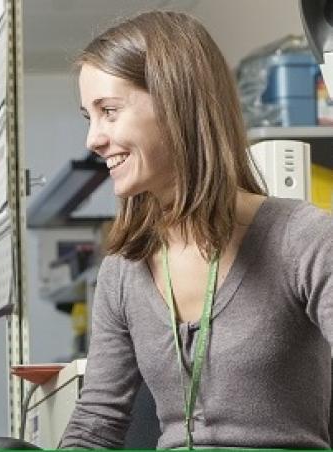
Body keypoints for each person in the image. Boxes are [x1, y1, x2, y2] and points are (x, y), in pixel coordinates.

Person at [60, 10, 333, 449]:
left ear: (175, 104)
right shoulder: (123, 270)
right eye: (88, 117)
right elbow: (96, 424)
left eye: (109, 111)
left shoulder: (302, 239)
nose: (93, 139)